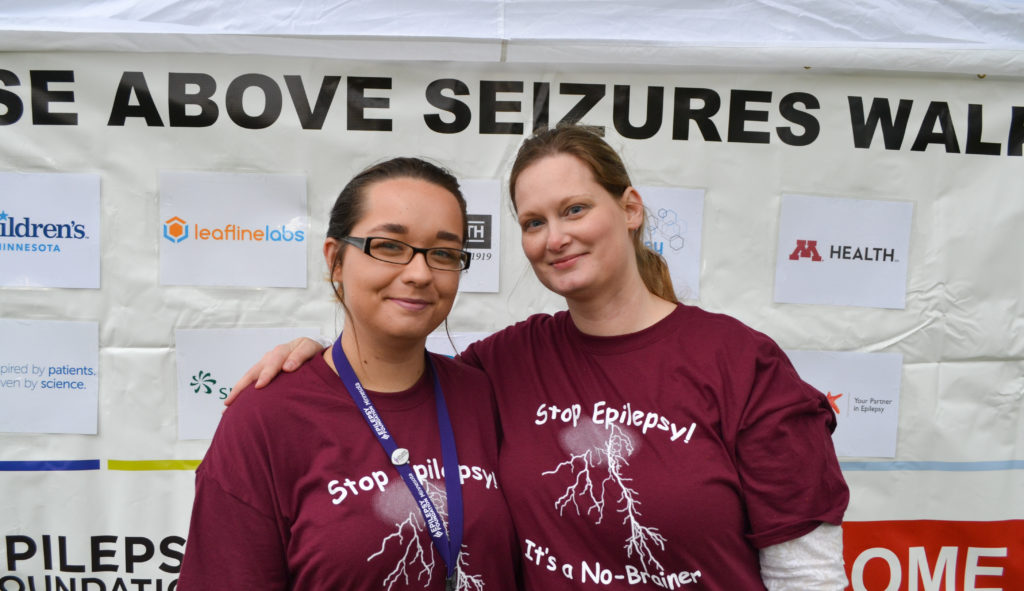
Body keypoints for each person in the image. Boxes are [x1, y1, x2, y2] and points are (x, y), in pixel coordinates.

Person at [230, 125, 850, 590]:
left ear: (629, 209)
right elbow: (392, 366)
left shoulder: (739, 361)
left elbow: (808, 575)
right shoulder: (506, 364)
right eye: (533, 222)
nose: (555, 237)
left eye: (574, 209)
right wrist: (313, 355)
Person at [179, 158, 520, 590]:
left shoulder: (483, 395)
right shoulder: (264, 419)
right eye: (390, 246)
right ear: (335, 260)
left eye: (443, 253)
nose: (419, 273)